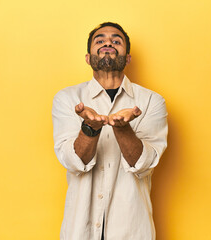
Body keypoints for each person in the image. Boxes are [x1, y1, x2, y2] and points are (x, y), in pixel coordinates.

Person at [52, 22, 168, 240]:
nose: (108, 43)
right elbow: (73, 163)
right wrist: (89, 129)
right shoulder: (67, 99)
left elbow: (143, 165)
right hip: (80, 230)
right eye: (100, 40)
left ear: (128, 58)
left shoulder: (152, 101)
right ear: (88, 58)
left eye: (116, 41)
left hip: (132, 230)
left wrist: (122, 129)